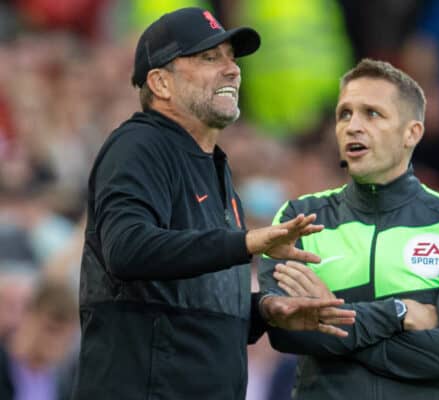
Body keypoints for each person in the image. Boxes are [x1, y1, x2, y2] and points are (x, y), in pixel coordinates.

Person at [71, 8, 355, 400]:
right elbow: (127, 249)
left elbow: (191, 303)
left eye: (231, 58)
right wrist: (247, 243)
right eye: (209, 58)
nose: (232, 70)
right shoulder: (139, 146)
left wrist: (266, 311)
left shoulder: (214, 168)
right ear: (160, 82)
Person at [259, 58, 439, 399]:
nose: (353, 126)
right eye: (345, 114)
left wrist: (331, 316)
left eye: (372, 113)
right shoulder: (301, 217)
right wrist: (396, 313)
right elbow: (285, 331)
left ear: (411, 133)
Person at [0, 280, 79, 400]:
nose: (57, 342)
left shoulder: (65, 385)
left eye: (67, 337)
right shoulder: (4, 366)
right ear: (30, 316)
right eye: (51, 329)